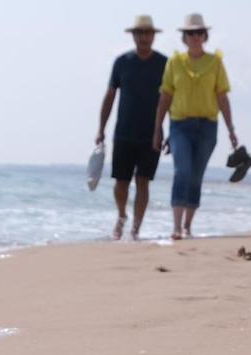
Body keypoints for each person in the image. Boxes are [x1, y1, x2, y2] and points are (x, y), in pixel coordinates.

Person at [153, 13, 239, 240]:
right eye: (190, 33)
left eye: (198, 32)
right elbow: (165, 97)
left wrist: (231, 129)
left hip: (207, 126)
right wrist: (157, 128)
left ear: (205, 36)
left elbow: (222, 97)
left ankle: (188, 225)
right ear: (184, 37)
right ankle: (176, 225)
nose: (194, 37)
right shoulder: (175, 62)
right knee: (182, 171)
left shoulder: (215, 63)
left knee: (196, 175)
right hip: (180, 125)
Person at [96, 15, 168, 240]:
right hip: (124, 132)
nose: (144, 37)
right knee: (121, 182)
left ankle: (136, 227)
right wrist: (101, 129)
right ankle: (121, 216)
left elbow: (171, 99)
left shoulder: (164, 64)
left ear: (153, 36)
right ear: (134, 36)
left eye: (148, 33)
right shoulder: (122, 62)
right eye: (140, 33)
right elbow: (110, 96)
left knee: (143, 181)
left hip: (152, 133)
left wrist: (170, 131)